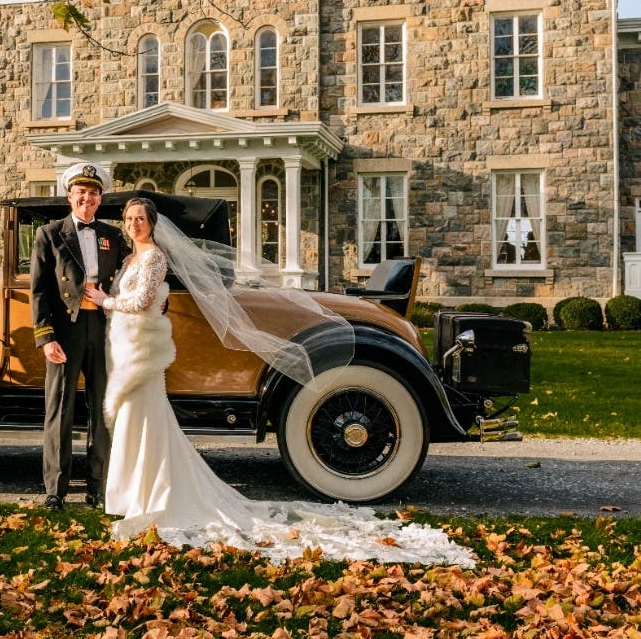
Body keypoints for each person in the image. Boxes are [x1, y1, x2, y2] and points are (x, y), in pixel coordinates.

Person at [84, 197, 474, 566]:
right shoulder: (133, 257)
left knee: (145, 416)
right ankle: (132, 486)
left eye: (141, 218)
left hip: (139, 344)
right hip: (128, 343)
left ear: (153, 224)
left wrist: (104, 301)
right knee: (136, 417)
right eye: (130, 219)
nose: (134, 224)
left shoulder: (152, 257)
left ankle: (144, 487)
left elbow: (139, 299)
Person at [30, 162, 125, 511]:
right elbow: (39, 290)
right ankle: (55, 491)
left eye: (94, 193)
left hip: (102, 330)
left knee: (103, 411)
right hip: (64, 332)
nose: (88, 198)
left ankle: (99, 489)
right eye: (81, 192)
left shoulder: (114, 236)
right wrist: (46, 337)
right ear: (70, 196)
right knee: (60, 411)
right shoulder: (50, 234)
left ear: (100, 199)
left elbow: (128, 279)